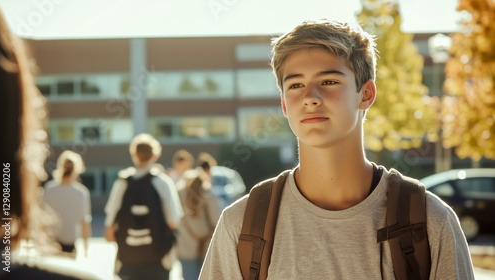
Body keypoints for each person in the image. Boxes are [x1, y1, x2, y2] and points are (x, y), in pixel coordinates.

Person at [199, 20, 474, 279]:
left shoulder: (430, 223)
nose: (310, 98)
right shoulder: (241, 226)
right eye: (295, 85)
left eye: (328, 81)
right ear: (284, 104)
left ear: (366, 95)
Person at [0, 3, 108, 279]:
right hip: (58, 254)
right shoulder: (80, 193)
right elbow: (84, 223)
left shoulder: (51, 191)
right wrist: (82, 252)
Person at [104, 133, 183, 280]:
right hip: (158, 261)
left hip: (128, 261)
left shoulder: (122, 183)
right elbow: (173, 222)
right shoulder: (163, 183)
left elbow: (109, 232)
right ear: (155, 156)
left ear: (134, 154)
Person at [176, 154, 223, 280]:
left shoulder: (179, 191)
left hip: (185, 245)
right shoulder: (207, 190)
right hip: (206, 246)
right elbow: (217, 219)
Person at [42, 150, 91, 258]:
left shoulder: (50, 189)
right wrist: (86, 247)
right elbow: (84, 222)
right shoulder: (80, 192)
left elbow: (42, 217)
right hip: (69, 244)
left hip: (51, 244)